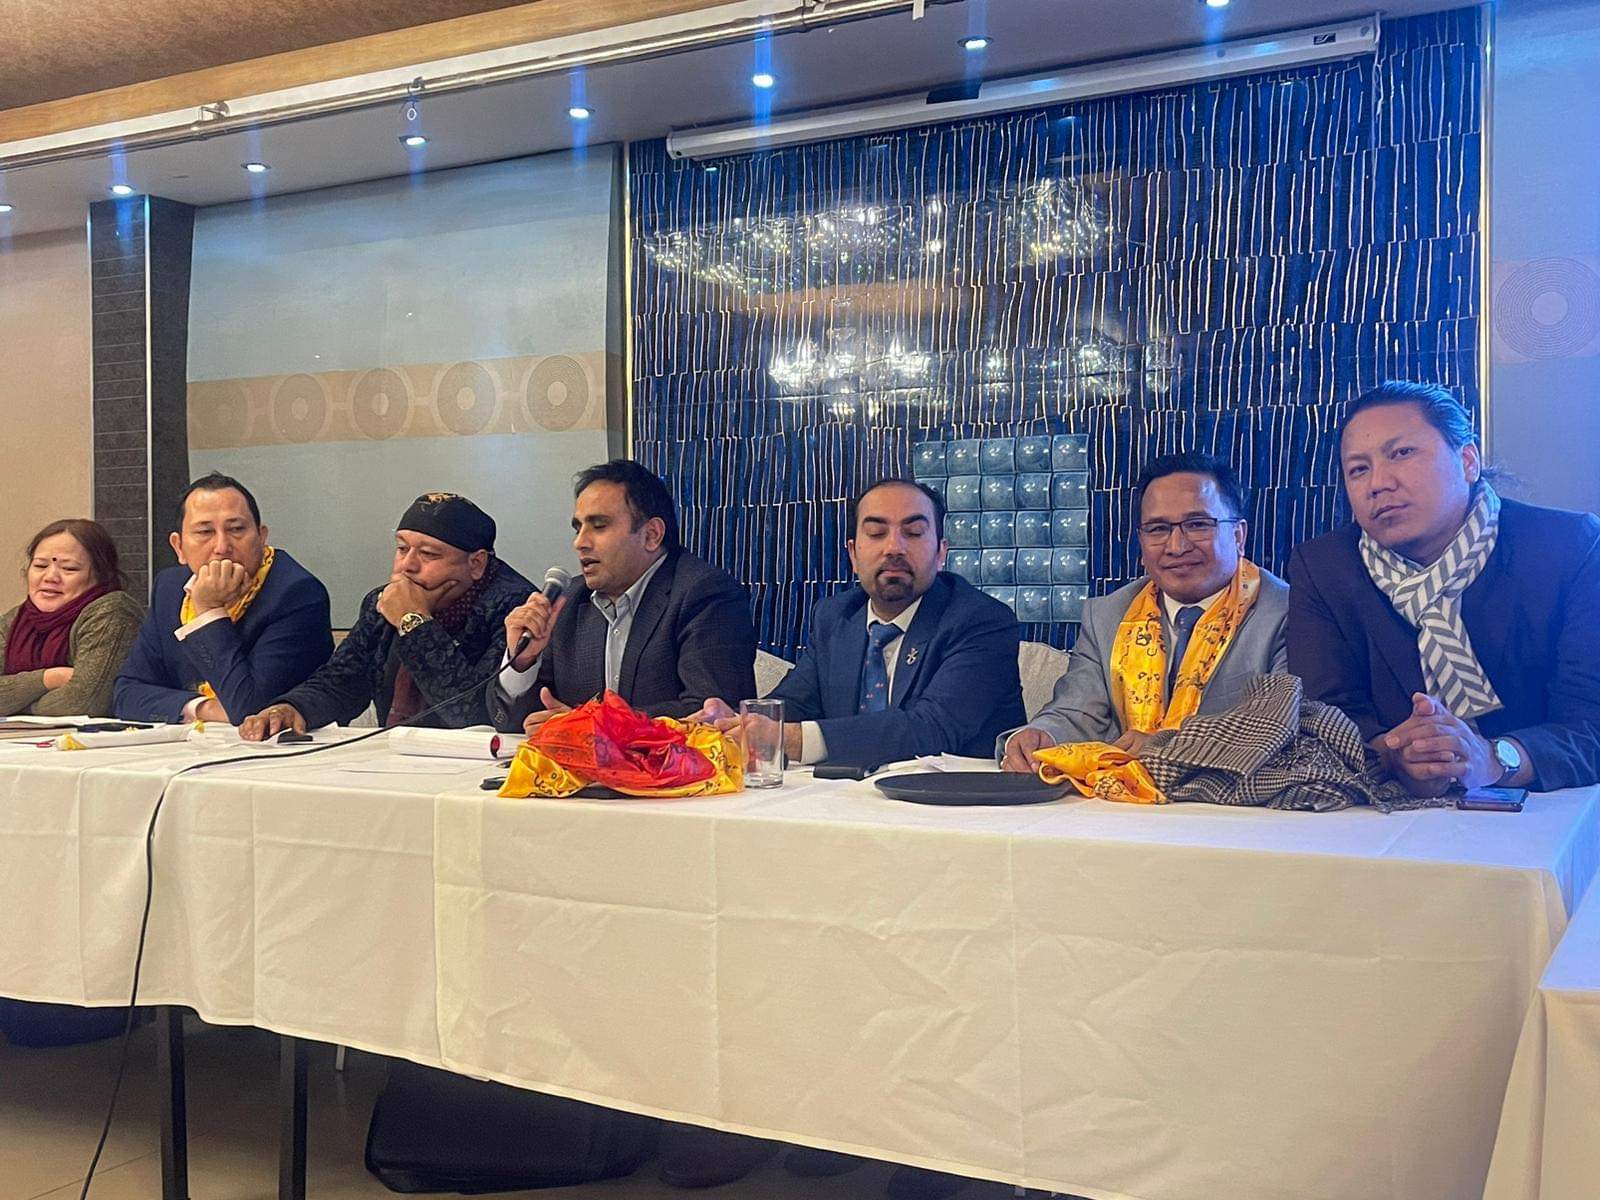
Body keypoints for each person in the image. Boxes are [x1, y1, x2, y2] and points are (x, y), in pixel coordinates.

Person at [1288, 381, 1600, 795]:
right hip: (1390, 807)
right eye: (1358, 469)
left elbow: (1589, 721)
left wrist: (1494, 759)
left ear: (1468, 461)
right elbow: (1322, 715)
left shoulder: (1567, 546)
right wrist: (1391, 753)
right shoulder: (1324, 567)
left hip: (1550, 808)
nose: (1378, 482)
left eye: (1402, 453)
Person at [694, 477, 1024, 768]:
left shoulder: (981, 620)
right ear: (853, 554)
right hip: (849, 801)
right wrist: (738, 722)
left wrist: (792, 739)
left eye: (913, 532)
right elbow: (795, 703)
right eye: (877, 533)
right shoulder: (836, 616)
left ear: (941, 553)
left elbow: (932, 728)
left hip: (955, 806)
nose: (894, 547)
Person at [1002, 452, 1289, 772]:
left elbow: (1279, 731)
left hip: (1232, 797)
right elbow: (1075, 713)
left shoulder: (1286, 613)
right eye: (1158, 529)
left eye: (1197, 525)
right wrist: (1041, 735)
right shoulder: (1107, 616)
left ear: (1238, 536)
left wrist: (1167, 746)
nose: (1176, 546)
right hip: (1118, 796)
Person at [488, 460, 756, 735]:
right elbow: (515, 724)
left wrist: (596, 724)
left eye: (599, 526)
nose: (580, 542)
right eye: (578, 529)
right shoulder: (569, 600)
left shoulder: (705, 593)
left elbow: (713, 713)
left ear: (651, 535)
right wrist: (522, 662)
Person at [240, 493, 532, 738]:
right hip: (396, 758)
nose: (407, 565)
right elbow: (343, 680)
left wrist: (413, 621)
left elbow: (474, 714)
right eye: (402, 548)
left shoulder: (515, 607)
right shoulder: (384, 602)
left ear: (476, 564)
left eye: (429, 554)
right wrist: (294, 707)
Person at [113, 473, 332, 723]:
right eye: (205, 532)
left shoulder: (297, 593)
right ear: (179, 547)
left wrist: (208, 609)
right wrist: (204, 708)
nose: (221, 547)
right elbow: (126, 693)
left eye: (236, 529)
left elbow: (250, 708)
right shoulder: (169, 588)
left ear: (261, 537)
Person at [1, 519, 143, 718]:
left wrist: (18, 706)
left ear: (101, 575)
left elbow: (85, 703)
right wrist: (50, 678)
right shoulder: (15, 620)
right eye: (40, 566)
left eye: (69, 569)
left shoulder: (113, 612)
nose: (50, 577)